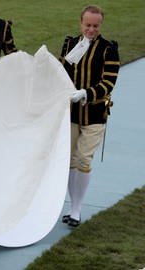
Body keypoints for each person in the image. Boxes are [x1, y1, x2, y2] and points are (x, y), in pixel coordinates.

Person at [60, 5, 120, 227]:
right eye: (88, 25)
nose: (91, 29)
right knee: (70, 160)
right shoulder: (69, 44)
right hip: (71, 113)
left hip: (95, 113)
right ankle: (72, 204)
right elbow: (61, 71)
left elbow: (109, 82)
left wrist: (86, 93)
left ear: (100, 25)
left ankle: (76, 209)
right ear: (81, 23)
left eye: (95, 26)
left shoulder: (108, 49)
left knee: (84, 159)